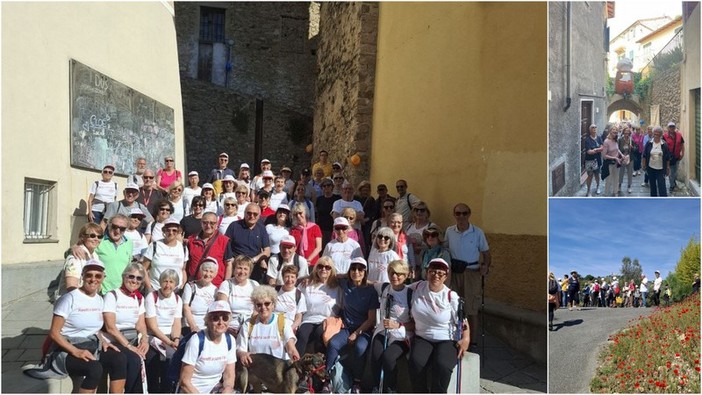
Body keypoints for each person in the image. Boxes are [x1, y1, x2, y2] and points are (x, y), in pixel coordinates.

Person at [49, 259, 127, 393]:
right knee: (94, 368)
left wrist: (103, 341)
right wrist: (76, 351)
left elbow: (94, 329)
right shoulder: (69, 299)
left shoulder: (99, 300)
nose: (93, 279)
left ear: (103, 278)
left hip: (91, 346)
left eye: (98, 276)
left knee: (119, 359)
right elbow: (54, 333)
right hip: (66, 349)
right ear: (82, 276)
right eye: (89, 275)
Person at [407, 258, 469, 393]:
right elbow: (399, 288)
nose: (436, 275)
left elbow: (463, 322)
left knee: (443, 365)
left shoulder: (451, 296)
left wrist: (466, 339)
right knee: (415, 362)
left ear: (446, 276)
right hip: (422, 336)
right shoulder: (418, 286)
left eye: (440, 273)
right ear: (427, 273)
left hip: (446, 338)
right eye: (432, 272)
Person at [323, 257, 379, 393]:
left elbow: (371, 319)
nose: (356, 272)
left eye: (360, 269)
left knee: (360, 347)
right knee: (333, 344)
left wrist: (356, 333)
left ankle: (357, 382)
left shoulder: (371, 291)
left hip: (364, 329)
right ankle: (327, 380)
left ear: (365, 272)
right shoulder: (345, 284)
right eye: (353, 268)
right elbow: (334, 275)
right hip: (347, 328)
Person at [445, 203, 490, 348]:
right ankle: (456, 337)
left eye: (464, 213)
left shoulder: (477, 232)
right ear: (454, 215)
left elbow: (486, 253)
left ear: (469, 214)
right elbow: (445, 249)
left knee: (471, 308)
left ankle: (473, 341)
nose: (461, 216)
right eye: (458, 213)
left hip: (472, 272)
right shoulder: (449, 231)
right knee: (453, 306)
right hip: (454, 272)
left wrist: (485, 266)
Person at [103, 263, 150, 393]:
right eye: (131, 276)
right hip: (114, 341)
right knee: (134, 359)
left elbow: (140, 325)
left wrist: (145, 340)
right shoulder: (112, 296)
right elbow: (110, 327)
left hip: (132, 339)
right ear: (124, 277)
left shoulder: (138, 299)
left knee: (150, 356)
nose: (134, 280)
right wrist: (130, 347)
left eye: (139, 278)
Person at [369, 260, 414, 393]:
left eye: (399, 274)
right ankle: (377, 387)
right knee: (376, 356)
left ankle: (391, 388)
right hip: (383, 330)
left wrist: (398, 325)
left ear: (405, 275)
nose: (395, 276)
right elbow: (368, 283)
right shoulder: (384, 287)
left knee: (388, 358)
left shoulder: (410, 294)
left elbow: (415, 324)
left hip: (402, 334)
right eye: (392, 273)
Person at [177, 300, 236, 394]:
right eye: (215, 318)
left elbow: (229, 375)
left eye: (225, 318)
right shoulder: (197, 341)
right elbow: (184, 382)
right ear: (207, 321)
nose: (221, 322)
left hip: (215, 389)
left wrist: (227, 389)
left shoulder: (230, 340)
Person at [236, 285, 300, 364]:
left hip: (278, 371)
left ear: (273, 304)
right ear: (255, 307)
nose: (263, 307)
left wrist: (296, 359)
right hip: (256, 371)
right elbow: (240, 349)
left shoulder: (282, 322)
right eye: (259, 305)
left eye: (267, 303)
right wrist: (242, 354)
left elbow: (291, 348)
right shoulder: (248, 324)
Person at [144, 269, 183, 392]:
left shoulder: (177, 299)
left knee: (176, 358)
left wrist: (176, 339)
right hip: (154, 336)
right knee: (154, 364)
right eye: (165, 281)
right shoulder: (152, 296)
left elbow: (176, 323)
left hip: (170, 336)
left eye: (171, 282)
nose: (168, 285)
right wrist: (169, 342)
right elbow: (152, 326)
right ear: (160, 282)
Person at [295, 256, 341, 357]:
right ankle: (296, 365)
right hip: (309, 319)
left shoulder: (337, 287)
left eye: (327, 267)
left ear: (331, 270)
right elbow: (295, 298)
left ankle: (320, 368)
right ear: (316, 268)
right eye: (320, 266)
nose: (323, 269)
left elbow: (342, 308)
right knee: (302, 335)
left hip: (327, 320)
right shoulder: (307, 284)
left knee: (319, 335)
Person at [224, 204, 271, 284]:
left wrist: (253, 260)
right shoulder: (234, 226)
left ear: (259, 216)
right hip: (236, 266)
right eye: (249, 213)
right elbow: (225, 246)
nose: (252, 216)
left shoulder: (261, 228)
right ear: (244, 213)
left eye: (255, 214)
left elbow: (267, 251)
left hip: (254, 266)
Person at [216, 255, 259, 336]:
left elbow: (257, 310)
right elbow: (222, 308)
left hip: (250, 327)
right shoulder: (226, 284)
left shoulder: (255, 285)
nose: (242, 272)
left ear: (250, 271)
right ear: (234, 269)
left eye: (245, 269)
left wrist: (250, 328)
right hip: (230, 327)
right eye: (239, 268)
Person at [142, 218, 189, 293]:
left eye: (174, 230)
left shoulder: (183, 248)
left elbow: (183, 270)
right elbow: (144, 268)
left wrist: (182, 286)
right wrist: (149, 287)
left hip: (175, 291)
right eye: (168, 230)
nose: (171, 233)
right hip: (155, 289)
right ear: (164, 231)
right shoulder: (154, 245)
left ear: (179, 232)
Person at [60, 223, 102, 296]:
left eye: (99, 236)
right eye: (92, 236)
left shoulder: (95, 256)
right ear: (82, 237)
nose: (96, 239)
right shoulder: (76, 257)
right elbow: (71, 287)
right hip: (73, 302)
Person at [97, 214, 134, 294]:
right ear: (109, 226)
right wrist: (75, 247)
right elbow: (79, 250)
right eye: (114, 226)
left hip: (122, 292)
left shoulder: (129, 242)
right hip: (103, 292)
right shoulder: (98, 241)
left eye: (122, 228)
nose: (117, 231)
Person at [182, 258, 219, 336]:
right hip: (189, 326)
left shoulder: (215, 290)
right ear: (200, 271)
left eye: (211, 271)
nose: (208, 274)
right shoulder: (190, 286)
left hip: (208, 327)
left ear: (215, 274)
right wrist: (193, 327)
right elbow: (186, 308)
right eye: (205, 270)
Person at [289, 202, 323, 269]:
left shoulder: (315, 227)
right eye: (296, 214)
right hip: (298, 263)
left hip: (313, 263)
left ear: (305, 213)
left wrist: (308, 260)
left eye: (300, 213)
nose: (298, 216)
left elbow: (319, 247)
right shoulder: (293, 230)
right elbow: (293, 248)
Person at [274, 265, 306, 332]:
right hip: (273, 324)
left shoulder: (299, 295)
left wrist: (290, 329)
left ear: (296, 279)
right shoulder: (274, 291)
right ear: (282, 278)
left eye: (292, 277)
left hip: (289, 326)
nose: (289, 280)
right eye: (287, 277)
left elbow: (298, 318)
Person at [642, 126, 671, 197]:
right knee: (653, 186)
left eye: (658, 134)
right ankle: (653, 201)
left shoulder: (664, 145)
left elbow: (667, 157)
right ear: (653, 134)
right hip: (651, 168)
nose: (656, 136)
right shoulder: (649, 143)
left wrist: (667, 168)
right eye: (655, 134)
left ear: (661, 135)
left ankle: (664, 202)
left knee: (662, 187)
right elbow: (644, 155)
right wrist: (644, 165)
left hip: (661, 169)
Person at [315, 177, 340, 247]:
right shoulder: (319, 199)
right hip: (321, 228)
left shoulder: (337, 199)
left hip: (333, 228)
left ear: (332, 187)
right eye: (324, 186)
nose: (326, 187)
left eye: (328, 185)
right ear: (321, 188)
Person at [663, 122, 685, 193]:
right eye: (670, 127)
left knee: (675, 172)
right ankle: (672, 186)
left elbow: (682, 145)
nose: (672, 128)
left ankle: (673, 182)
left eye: (673, 127)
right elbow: (662, 147)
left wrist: (682, 153)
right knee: (671, 172)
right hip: (669, 158)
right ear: (668, 128)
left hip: (677, 157)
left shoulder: (679, 135)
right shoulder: (665, 136)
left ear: (675, 127)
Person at [584, 124, 604, 196]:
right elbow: (589, 152)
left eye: (595, 127)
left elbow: (602, 148)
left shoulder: (599, 138)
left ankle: (598, 187)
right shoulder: (587, 140)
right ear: (590, 130)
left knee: (597, 175)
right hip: (590, 161)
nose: (594, 128)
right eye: (593, 127)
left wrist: (595, 149)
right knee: (590, 176)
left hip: (598, 160)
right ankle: (588, 190)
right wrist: (598, 149)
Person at [602, 127, 623, 197]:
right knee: (609, 179)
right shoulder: (606, 141)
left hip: (616, 162)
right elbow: (604, 155)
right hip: (609, 163)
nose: (615, 133)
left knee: (616, 178)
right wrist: (614, 158)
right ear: (610, 132)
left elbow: (617, 149)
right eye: (614, 132)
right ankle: (606, 194)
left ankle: (615, 192)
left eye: (616, 132)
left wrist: (622, 155)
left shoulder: (616, 140)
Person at [355, 181, 376, 248]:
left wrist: (365, 220)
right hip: (357, 222)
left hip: (367, 223)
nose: (365, 192)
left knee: (366, 241)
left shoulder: (371, 199)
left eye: (367, 190)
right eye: (363, 190)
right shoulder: (356, 199)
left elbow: (373, 212)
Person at [618, 127, 634, 194]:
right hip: (622, 158)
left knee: (630, 172)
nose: (626, 133)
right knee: (621, 172)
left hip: (630, 158)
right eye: (625, 132)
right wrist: (621, 156)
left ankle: (629, 186)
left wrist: (633, 148)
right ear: (623, 132)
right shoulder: (620, 140)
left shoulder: (631, 140)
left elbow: (636, 148)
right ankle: (619, 185)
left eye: (628, 132)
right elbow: (617, 148)